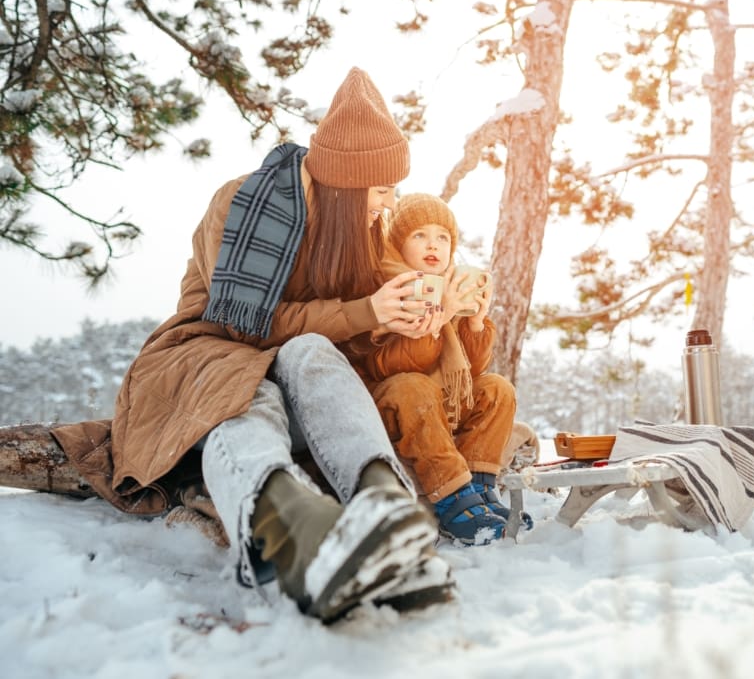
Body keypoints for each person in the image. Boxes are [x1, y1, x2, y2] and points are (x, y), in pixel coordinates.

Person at [53, 68, 457, 624]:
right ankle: (293, 534)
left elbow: (331, 336)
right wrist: (364, 312)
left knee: (312, 353)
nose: (387, 205)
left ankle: (386, 513)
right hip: (203, 356)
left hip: (286, 365)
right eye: (381, 189)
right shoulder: (249, 202)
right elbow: (244, 324)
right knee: (247, 391)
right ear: (348, 182)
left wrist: (409, 318)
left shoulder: (360, 234)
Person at [354, 193, 525, 545]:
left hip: (441, 406)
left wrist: (475, 322)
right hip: (394, 405)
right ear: (399, 243)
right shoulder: (388, 285)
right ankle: (452, 498)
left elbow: (473, 371)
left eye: (442, 237)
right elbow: (394, 365)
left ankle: (478, 487)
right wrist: (438, 318)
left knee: (496, 388)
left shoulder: (452, 287)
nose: (433, 245)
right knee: (415, 386)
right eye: (419, 235)